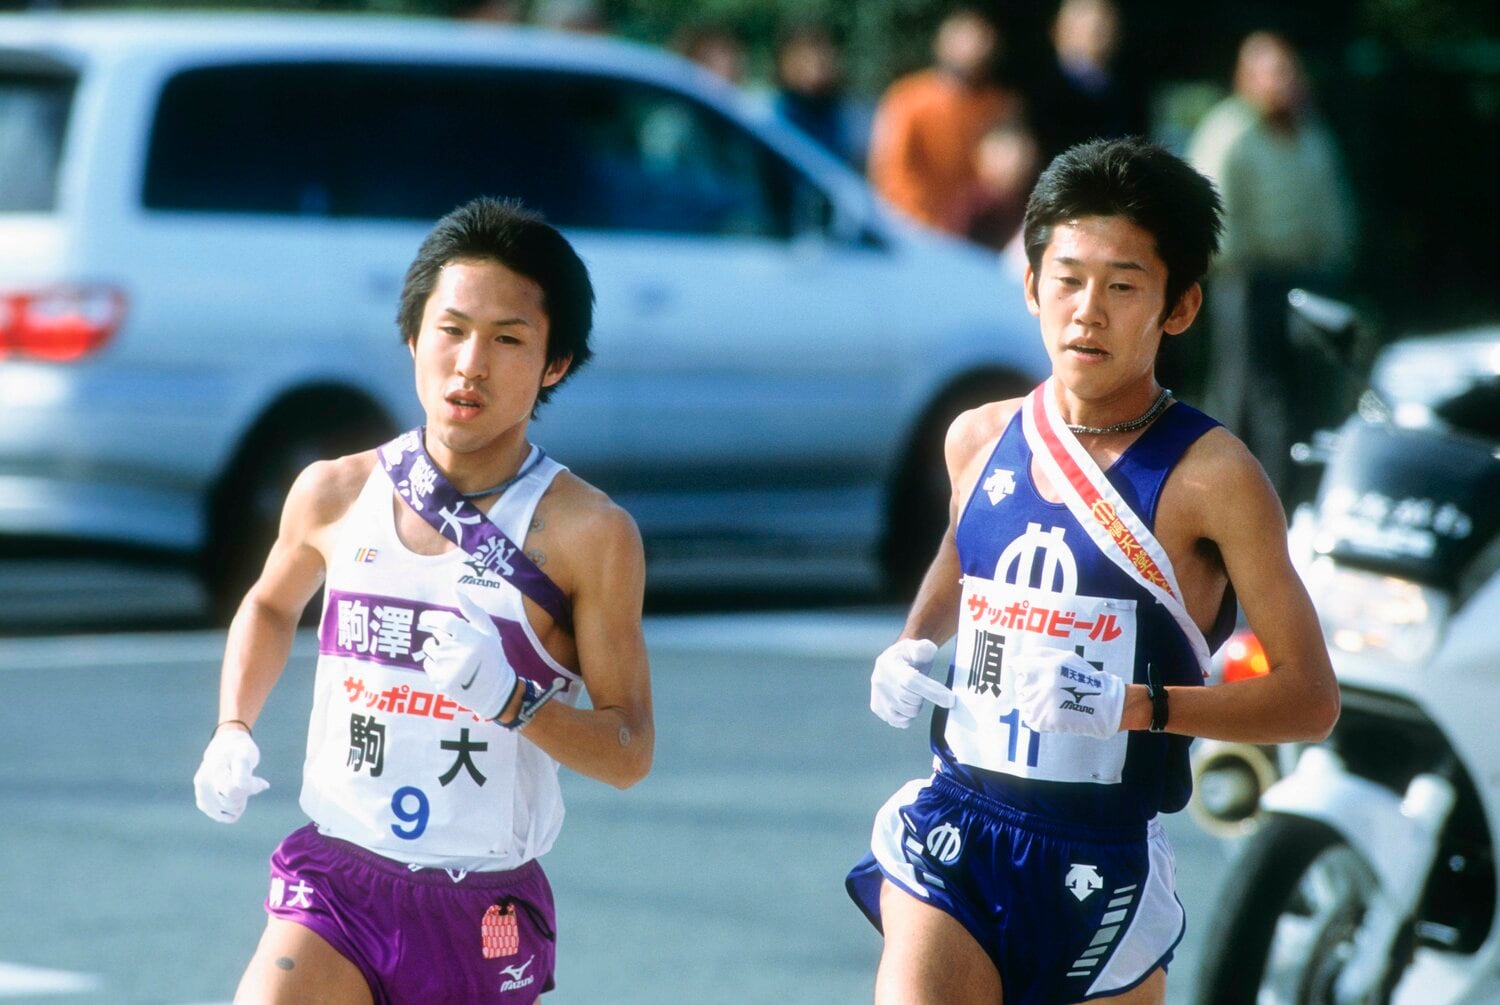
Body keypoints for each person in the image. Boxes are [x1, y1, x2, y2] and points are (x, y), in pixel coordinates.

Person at [846, 137, 1338, 1004]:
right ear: (1031, 283)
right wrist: (915, 641)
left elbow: (1309, 699)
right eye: (1067, 279)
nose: (1087, 312)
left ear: (1178, 307)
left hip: (1101, 858)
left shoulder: (1211, 476)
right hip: (957, 824)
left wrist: (1135, 706)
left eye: (1122, 286)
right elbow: (964, 552)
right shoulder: (978, 435)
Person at [192, 197, 654, 1002]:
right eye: (451, 329)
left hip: (483, 902)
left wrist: (512, 702)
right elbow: (270, 604)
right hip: (337, 879)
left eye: (508, 339)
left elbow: (628, 749)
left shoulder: (588, 532)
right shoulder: (335, 491)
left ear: (555, 365)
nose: (470, 363)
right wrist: (232, 726)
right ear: (412, 335)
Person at [1187, 30, 1356, 504]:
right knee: (1250, 397)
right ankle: (1235, 501)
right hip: (1247, 282)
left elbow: (1333, 206)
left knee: (1310, 396)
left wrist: (1334, 260)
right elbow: (1213, 208)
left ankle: (1295, 499)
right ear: (1246, 77)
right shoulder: (1229, 130)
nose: (1280, 82)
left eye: (1287, 70)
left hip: (1309, 281)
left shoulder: (1311, 134)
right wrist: (1238, 266)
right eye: (1269, 70)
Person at [866, 8, 1023, 234]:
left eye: (980, 39)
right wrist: (928, 225)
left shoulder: (1000, 106)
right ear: (941, 43)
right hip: (915, 231)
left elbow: (1009, 178)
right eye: (963, 38)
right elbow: (890, 174)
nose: (972, 48)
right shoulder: (907, 98)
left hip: (979, 232)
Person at [1030, 0, 1143, 160]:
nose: (1095, 23)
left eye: (1104, 14)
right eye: (1082, 13)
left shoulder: (1130, 93)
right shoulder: (1032, 97)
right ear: (1055, 27)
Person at [767, 23, 871, 168]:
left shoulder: (847, 116)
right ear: (785, 62)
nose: (817, 64)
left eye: (822, 54)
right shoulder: (773, 116)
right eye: (805, 57)